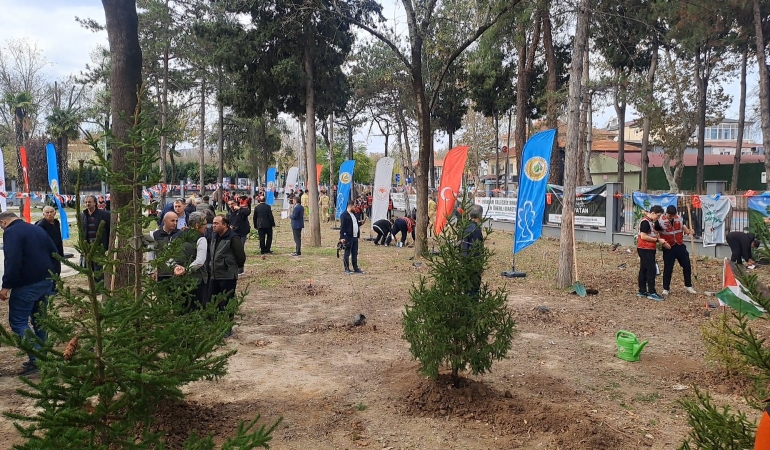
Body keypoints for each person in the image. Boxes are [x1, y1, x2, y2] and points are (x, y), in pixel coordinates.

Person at [0, 211, 58, 375]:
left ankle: (37, 360)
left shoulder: (11, 232)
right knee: (40, 320)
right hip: (45, 281)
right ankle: (43, 357)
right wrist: (51, 275)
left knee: (18, 322)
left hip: (26, 285)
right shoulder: (37, 228)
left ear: (4, 223)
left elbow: (12, 260)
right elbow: (54, 253)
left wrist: (6, 286)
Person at [210, 214, 246, 336]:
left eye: (216, 223)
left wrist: (231, 266)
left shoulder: (233, 237)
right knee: (214, 301)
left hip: (227, 275)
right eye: (213, 223)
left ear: (224, 225)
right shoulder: (214, 236)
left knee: (226, 301)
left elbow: (240, 256)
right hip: (214, 275)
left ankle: (227, 327)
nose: (213, 226)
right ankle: (217, 325)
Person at [174, 211, 210, 310]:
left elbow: (167, 256)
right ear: (197, 225)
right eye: (205, 224)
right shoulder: (201, 239)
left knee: (181, 308)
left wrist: (176, 267)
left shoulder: (177, 235)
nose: (206, 227)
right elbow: (200, 261)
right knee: (195, 308)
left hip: (178, 279)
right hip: (196, 280)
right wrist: (186, 269)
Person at [658, 205, 696, 296]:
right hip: (668, 247)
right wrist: (662, 243)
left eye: (673, 216)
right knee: (668, 268)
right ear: (666, 213)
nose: (671, 217)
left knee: (687, 265)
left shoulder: (679, 218)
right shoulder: (660, 221)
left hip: (679, 245)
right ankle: (666, 288)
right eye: (670, 216)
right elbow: (657, 234)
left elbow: (683, 228)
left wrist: (689, 231)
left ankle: (688, 285)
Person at [637, 205, 666, 301]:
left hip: (647, 248)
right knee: (651, 270)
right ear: (652, 213)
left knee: (644, 269)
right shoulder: (645, 222)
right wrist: (657, 240)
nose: (658, 218)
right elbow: (643, 236)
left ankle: (642, 290)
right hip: (645, 248)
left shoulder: (649, 221)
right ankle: (652, 292)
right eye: (658, 215)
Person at [81, 194, 111, 283]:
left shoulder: (104, 214)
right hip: (87, 244)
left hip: (99, 244)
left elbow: (109, 229)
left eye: (89, 202)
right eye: (86, 202)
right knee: (90, 265)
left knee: (98, 265)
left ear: (95, 203)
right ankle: (93, 284)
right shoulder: (83, 215)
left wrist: (108, 244)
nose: (87, 204)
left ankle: (99, 284)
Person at [147, 212, 181, 282]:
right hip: (162, 274)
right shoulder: (154, 235)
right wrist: (150, 271)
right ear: (164, 221)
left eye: (176, 221)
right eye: (172, 220)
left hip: (178, 273)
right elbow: (150, 254)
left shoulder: (180, 234)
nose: (175, 223)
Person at [460, 204, 485, 298]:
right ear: (479, 215)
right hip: (472, 264)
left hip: (463, 261)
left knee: (466, 288)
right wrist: (479, 266)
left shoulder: (464, 227)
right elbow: (477, 249)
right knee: (473, 289)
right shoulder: (476, 230)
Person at [36, 205, 64, 276]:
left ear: (54, 213)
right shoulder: (40, 225)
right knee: (50, 273)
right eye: (47, 212)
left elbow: (58, 238)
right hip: (47, 254)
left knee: (57, 272)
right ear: (43, 214)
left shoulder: (56, 222)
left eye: (51, 212)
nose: (49, 214)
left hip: (57, 251)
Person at [340, 199, 365, 274]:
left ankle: (355, 268)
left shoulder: (354, 214)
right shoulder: (344, 215)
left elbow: (355, 224)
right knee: (347, 253)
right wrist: (342, 237)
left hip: (355, 236)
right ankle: (347, 268)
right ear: (350, 206)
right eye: (355, 206)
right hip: (348, 236)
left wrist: (361, 223)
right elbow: (342, 227)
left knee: (355, 252)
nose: (356, 207)